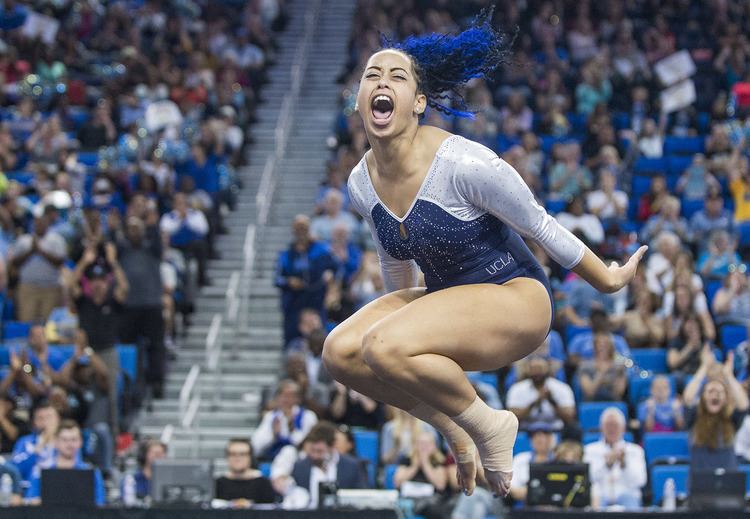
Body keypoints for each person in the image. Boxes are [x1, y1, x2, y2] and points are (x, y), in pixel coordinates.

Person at [322, 13, 647, 497]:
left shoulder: (464, 164)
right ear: (360, 99)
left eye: (397, 76)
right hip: (450, 299)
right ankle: (455, 428)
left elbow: (539, 224)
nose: (381, 82)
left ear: (419, 103)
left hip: (515, 298)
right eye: (372, 74)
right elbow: (394, 260)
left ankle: (491, 425)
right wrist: (405, 336)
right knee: (341, 354)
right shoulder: (359, 182)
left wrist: (608, 280)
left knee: (382, 344)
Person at [682, 346, 749, 470]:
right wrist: (704, 367)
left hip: (728, 479)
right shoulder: (694, 416)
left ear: (725, 398)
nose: (715, 394)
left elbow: (744, 404)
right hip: (700, 481)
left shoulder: (731, 418)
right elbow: (687, 398)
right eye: (710, 391)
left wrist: (729, 376)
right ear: (702, 397)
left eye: (719, 392)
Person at [25, 420, 105, 505]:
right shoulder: (39, 471)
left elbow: (99, 504)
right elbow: (30, 501)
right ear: (55, 442)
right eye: (64, 440)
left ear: (80, 442)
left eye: (74, 439)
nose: (70, 444)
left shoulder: (91, 472)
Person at [289, 421, 368, 508]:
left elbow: (362, 499)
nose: (314, 456)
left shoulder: (353, 467)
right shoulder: (300, 467)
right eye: (312, 451)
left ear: (333, 446)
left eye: (319, 451)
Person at [583, 408, 647, 510]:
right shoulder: (590, 450)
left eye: (615, 425)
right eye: (608, 425)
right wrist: (606, 464)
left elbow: (640, 481)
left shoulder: (635, 450)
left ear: (623, 428)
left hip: (628, 497)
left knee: (630, 501)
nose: (611, 429)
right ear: (601, 428)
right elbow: (588, 479)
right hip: (600, 497)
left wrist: (624, 464)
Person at [506, 356, 576, 433]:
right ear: (528, 370)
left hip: (555, 429)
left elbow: (569, 417)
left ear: (547, 369)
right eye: (534, 369)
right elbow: (513, 418)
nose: (537, 373)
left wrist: (552, 401)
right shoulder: (517, 389)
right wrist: (534, 403)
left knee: (574, 429)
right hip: (526, 430)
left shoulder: (562, 388)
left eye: (540, 369)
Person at [251, 380, 318, 461]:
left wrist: (292, 429)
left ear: (298, 399)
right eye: (284, 395)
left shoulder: (308, 416)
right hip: (274, 458)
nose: (287, 400)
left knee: (289, 452)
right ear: (278, 397)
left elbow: (313, 443)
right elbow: (256, 445)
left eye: (291, 396)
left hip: (300, 459)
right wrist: (273, 435)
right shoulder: (271, 416)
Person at [215, 438, 276, 507]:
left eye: (242, 454)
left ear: (250, 457)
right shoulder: (217, 484)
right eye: (233, 454)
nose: (237, 458)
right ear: (227, 457)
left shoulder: (263, 484)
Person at [509, 424, 556, 502]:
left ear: (551, 439)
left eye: (544, 436)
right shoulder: (520, 459)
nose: (539, 439)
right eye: (534, 436)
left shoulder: (558, 460)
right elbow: (513, 488)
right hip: (525, 504)